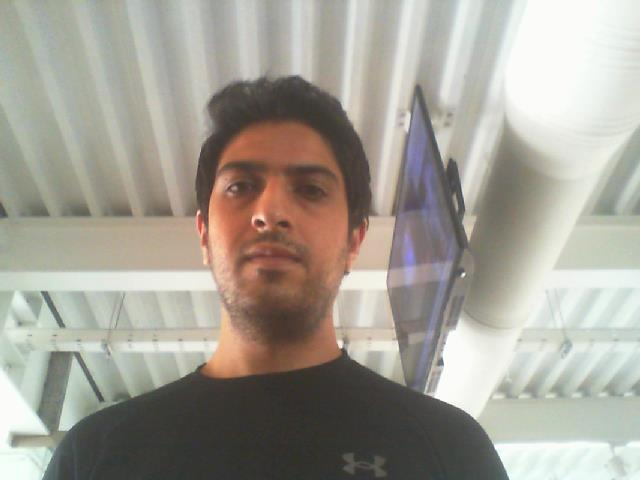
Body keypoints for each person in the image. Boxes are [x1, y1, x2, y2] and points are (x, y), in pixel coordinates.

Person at [43, 76, 508, 479]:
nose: (270, 211)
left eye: (310, 189)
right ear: (204, 235)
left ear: (354, 241)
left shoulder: (449, 450)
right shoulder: (96, 455)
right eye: (241, 186)